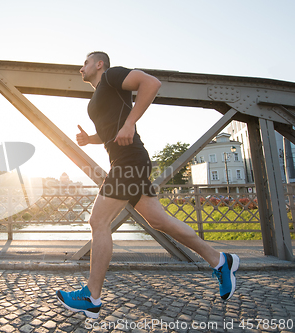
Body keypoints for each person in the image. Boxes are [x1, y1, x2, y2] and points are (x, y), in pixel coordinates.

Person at [56, 52, 240, 319]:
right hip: (127, 160)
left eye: (85, 62)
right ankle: (221, 261)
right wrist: (90, 140)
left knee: (98, 222)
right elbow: (112, 131)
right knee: (159, 221)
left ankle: (91, 296)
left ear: (99, 64)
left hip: (128, 161)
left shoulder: (111, 75)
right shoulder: (100, 94)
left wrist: (131, 122)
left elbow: (152, 83)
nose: (80, 67)